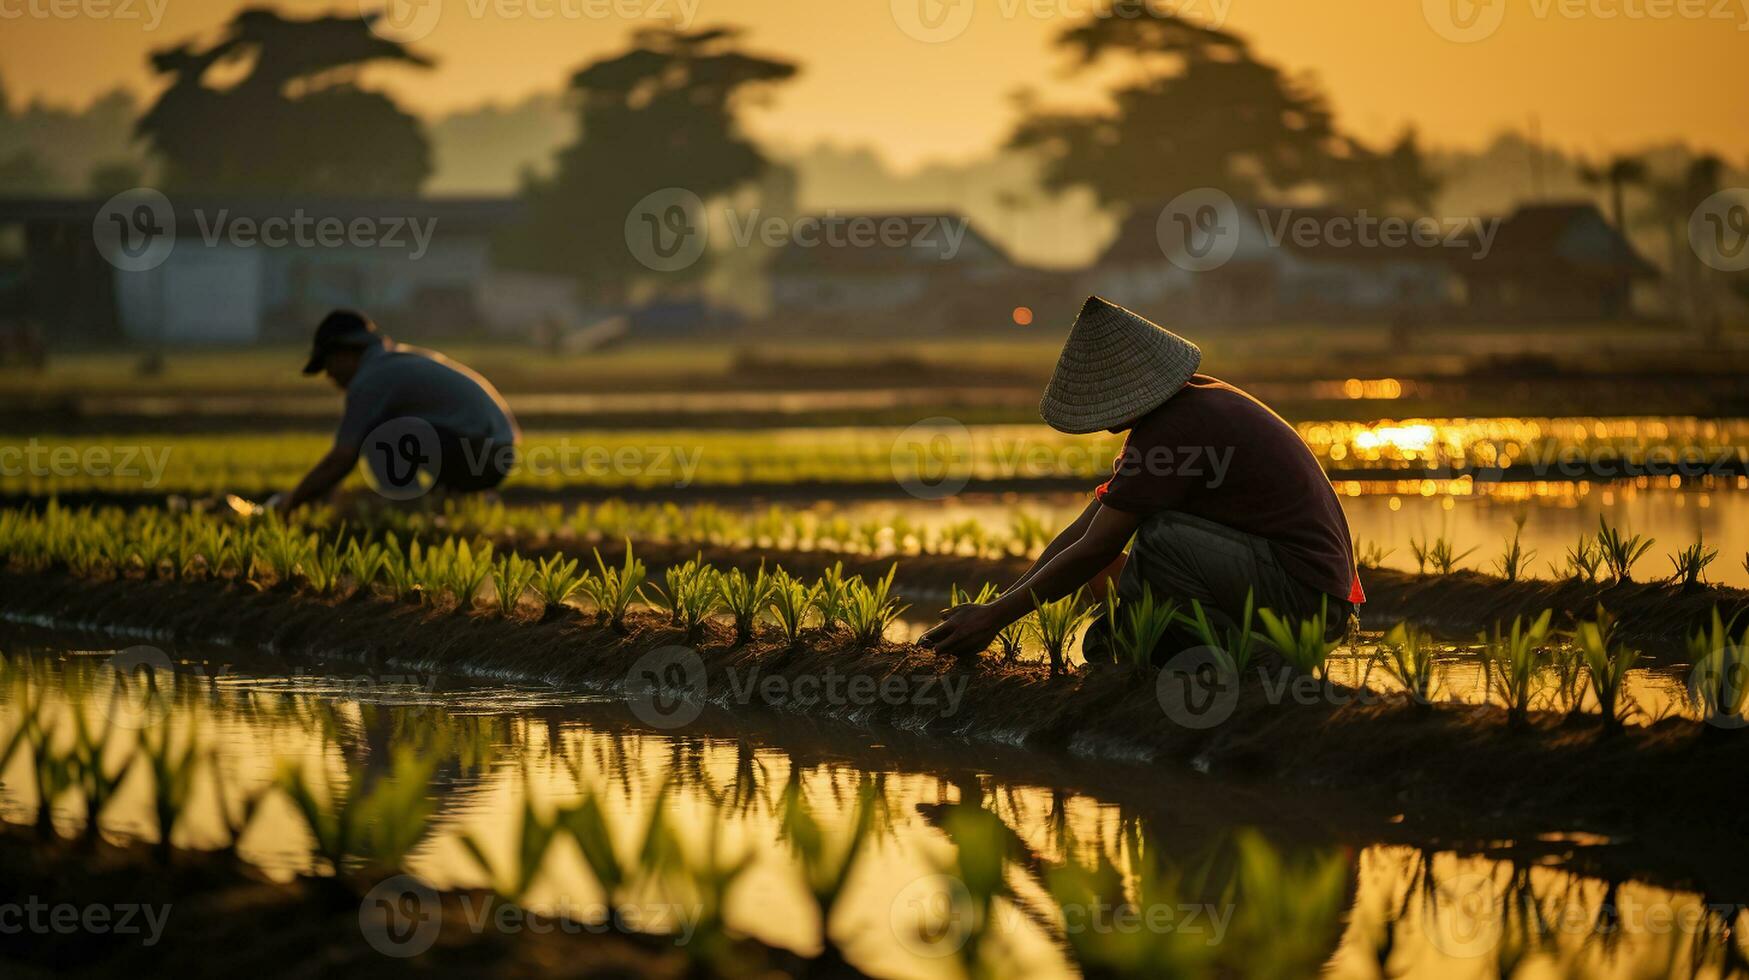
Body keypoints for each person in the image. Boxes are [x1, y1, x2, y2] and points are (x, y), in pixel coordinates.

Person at [920, 296, 1363, 664]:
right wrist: (992, 610)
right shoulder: (1190, 406)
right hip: (1295, 589)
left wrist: (995, 618)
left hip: (1307, 604)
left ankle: (1245, 654)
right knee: (1113, 620)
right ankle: (1185, 644)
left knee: (1160, 537)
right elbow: (1084, 532)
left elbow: (1099, 546)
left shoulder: (1177, 427)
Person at [273, 310, 520, 511]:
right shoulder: (391, 362)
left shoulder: (371, 378)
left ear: (346, 352)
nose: (329, 375)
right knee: (391, 430)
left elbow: (342, 457)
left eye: (328, 364)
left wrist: (292, 501)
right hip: (492, 453)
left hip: (481, 455)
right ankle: (446, 501)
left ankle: (408, 506)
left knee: (380, 435)